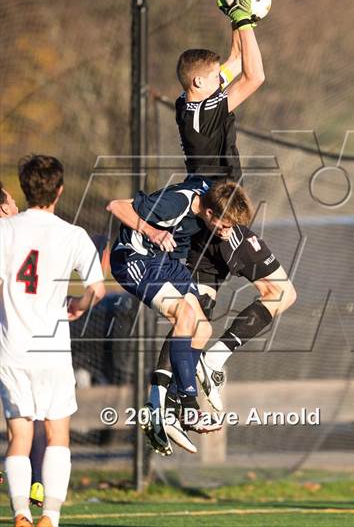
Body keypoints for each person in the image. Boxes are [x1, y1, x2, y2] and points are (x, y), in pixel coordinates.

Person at [152, 0, 296, 421]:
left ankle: (165, 402)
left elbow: (235, 60)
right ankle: (213, 363)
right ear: (201, 83)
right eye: (216, 77)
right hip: (220, 217)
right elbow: (255, 73)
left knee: (198, 313)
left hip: (206, 213)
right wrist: (242, 18)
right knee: (281, 293)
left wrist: (241, 19)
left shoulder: (190, 100)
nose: (223, 78)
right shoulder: (207, 109)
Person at [108, 177, 253, 454]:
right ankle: (189, 405)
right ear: (210, 213)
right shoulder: (176, 203)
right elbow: (117, 206)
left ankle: (165, 407)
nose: (225, 233)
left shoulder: (211, 195)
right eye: (224, 226)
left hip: (167, 262)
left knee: (203, 329)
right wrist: (152, 232)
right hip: (135, 259)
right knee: (183, 316)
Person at [0, 156, 105, 527]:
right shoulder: (73, 235)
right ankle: (51, 516)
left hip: (12, 349)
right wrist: (78, 304)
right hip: (52, 351)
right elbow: (97, 289)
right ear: (59, 190)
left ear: (25, 187)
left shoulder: (5, 231)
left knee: (20, 434)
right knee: (57, 433)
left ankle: (20, 513)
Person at [0, 182, 46, 509]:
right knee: (33, 421)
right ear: (3, 209)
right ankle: (37, 484)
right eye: (12, 202)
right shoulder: (19, 235)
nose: (16, 206)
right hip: (20, 339)